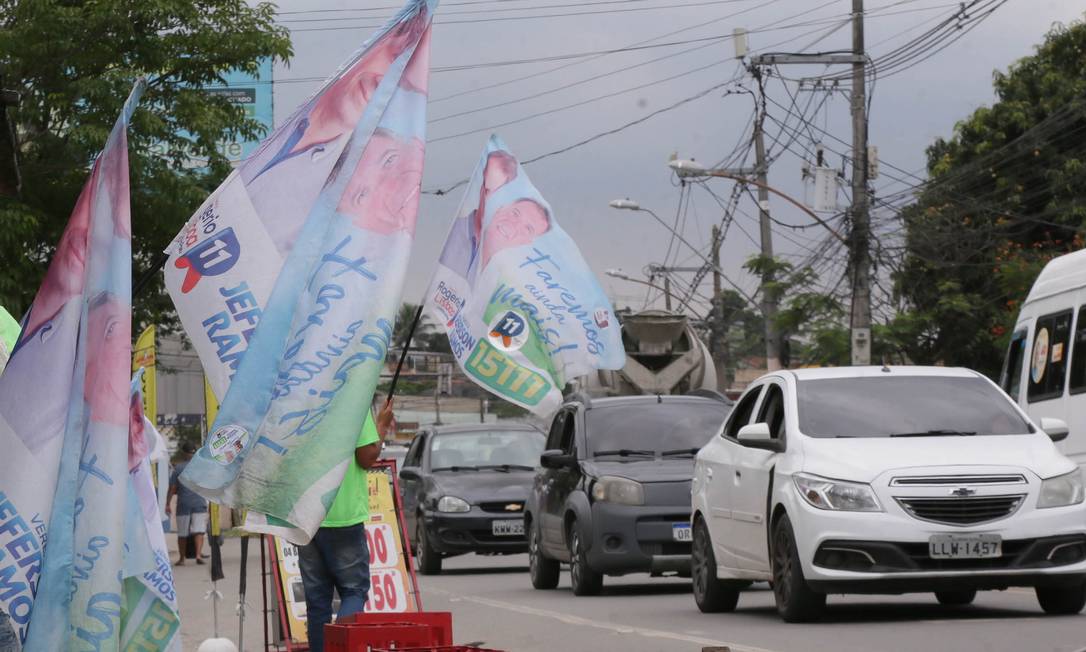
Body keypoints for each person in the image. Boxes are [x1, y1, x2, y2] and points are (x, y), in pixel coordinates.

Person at [299, 400, 395, 652]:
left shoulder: (300, 398)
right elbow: (366, 458)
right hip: (342, 514)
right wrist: (381, 427)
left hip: (304, 515)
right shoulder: (353, 399)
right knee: (354, 591)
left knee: (317, 602)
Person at [167, 441, 209, 566]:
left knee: (182, 533)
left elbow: (173, 489)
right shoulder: (202, 468)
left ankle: (182, 559)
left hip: (183, 504)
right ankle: (198, 555)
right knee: (199, 531)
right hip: (199, 503)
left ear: (184, 453)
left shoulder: (178, 468)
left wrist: (167, 503)